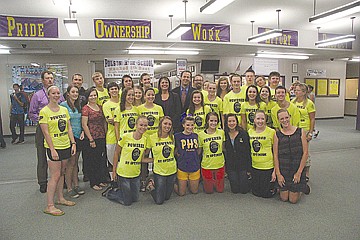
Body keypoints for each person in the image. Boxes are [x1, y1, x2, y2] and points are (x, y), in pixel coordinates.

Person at [39, 86, 76, 216]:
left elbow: (69, 128)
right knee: (54, 175)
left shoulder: (64, 110)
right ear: (48, 95)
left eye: (58, 93)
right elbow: (46, 132)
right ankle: (49, 205)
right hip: (53, 148)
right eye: (53, 93)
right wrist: (53, 149)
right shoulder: (44, 111)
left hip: (65, 144)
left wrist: (73, 143)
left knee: (62, 173)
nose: (56, 95)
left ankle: (60, 198)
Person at [29, 70, 65, 193]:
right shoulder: (37, 95)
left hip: (58, 127)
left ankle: (60, 179)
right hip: (43, 127)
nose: (50, 80)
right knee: (42, 155)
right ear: (43, 80)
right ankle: (43, 182)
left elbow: (63, 107)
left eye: (51, 78)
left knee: (59, 152)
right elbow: (32, 113)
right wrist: (42, 121)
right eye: (47, 78)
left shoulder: (58, 94)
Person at [273, 109, 309, 203]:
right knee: (284, 198)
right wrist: (278, 174)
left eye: (286, 117)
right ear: (278, 120)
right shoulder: (277, 135)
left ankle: (302, 187)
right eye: (282, 119)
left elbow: (305, 153)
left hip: (296, 168)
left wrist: (299, 173)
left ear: (290, 117)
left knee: (293, 200)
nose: (285, 120)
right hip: (284, 168)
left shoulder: (300, 132)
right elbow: (275, 155)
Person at [112, 116, 149, 206]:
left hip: (136, 174)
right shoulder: (125, 136)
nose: (143, 127)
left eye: (145, 125)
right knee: (127, 202)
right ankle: (111, 193)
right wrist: (114, 171)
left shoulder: (145, 140)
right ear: (136, 125)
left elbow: (142, 159)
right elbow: (116, 153)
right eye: (141, 125)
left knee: (135, 199)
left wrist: (156, 160)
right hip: (123, 173)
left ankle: (123, 192)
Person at [60, 85, 85, 198]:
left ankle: (76, 185)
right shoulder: (63, 106)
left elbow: (82, 121)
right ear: (68, 93)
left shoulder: (79, 105)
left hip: (79, 136)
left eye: (77, 92)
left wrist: (83, 131)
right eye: (73, 92)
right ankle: (69, 188)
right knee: (70, 164)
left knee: (75, 163)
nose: (75, 94)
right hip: (69, 138)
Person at [81, 87, 109, 191]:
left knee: (100, 160)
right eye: (91, 95)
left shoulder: (100, 107)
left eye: (95, 95)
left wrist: (106, 135)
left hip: (101, 136)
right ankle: (93, 182)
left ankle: (100, 179)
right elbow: (84, 124)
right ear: (88, 97)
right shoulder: (85, 108)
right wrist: (90, 139)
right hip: (91, 137)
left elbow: (103, 122)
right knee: (92, 161)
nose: (93, 97)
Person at [137, 88, 164, 191]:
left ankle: (155, 180)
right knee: (144, 160)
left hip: (156, 137)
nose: (150, 97)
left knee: (156, 159)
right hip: (144, 137)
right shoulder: (139, 108)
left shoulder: (159, 108)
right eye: (148, 95)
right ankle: (143, 181)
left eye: (152, 95)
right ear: (144, 96)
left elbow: (162, 123)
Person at [146, 116, 177, 204]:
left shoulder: (172, 137)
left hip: (171, 169)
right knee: (159, 201)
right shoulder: (152, 137)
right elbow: (145, 153)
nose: (167, 126)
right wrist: (152, 160)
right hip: (159, 171)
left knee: (167, 197)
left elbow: (174, 152)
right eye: (165, 123)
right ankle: (151, 185)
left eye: (169, 124)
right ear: (160, 124)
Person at [248, 110, 276, 198]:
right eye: (258, 119)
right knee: (256, 192)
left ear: (266, 120)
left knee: (265, 194)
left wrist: (275, 171)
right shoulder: (250, 132)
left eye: (262, 119)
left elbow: (276, 152)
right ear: (254, 120)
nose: (260, 121)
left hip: (267, 166)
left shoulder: (272, 132)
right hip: (255, 166)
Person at [292, 83, 316, 181]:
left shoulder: (309, 103)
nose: (296, 92)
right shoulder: (293, 102)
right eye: (295, 90)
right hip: (295, 129)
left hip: (305, 129)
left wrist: (310, 132)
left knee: (305, 151)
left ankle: (306, 172)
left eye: (298, 90)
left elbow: (312, 119)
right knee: (296, 150)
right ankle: (297, 170)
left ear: (304, 92)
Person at [224, 114, 252, 194]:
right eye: (229, 121)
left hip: (243, 164)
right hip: (231, 165)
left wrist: (249, 169)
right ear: (226, 123)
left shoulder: (243, 133)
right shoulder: (224, 134)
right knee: (235, 190)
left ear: (237, 122)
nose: (231, 123)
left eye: (233, 121)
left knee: (244, 190)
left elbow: (248, 151)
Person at [198, 112, 225, 194]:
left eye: (215, 121)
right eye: (211, 121)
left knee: (220, 190)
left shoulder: (221, 133)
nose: (213, 123)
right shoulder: (201, 135)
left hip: (220, 164)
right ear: (207, 121)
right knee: (209, 191)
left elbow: (223, 147)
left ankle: (215, 181)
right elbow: (199, 151)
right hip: (207, 165)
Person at [174, 116, 201, 196]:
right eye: (188, 125)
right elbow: (174, 149)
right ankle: (172, 184)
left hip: (194, 166)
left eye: (192, 125)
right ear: (183, 125)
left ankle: (189, 183)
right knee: (181, 193)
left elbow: (199, 149)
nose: (190, 127)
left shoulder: (196, 135)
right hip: (182, 167)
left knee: (194, 191)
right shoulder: (177, 136)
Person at [102, 82, 120, 175]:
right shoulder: (106, 104)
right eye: (112, 89)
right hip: (112, 137)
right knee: (113, 162)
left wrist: (116, 119)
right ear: (108, 91)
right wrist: (121, 119)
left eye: (115, 88)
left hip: (124, 135)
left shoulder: (123, 102)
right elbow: (110, 120)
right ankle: (114, 182)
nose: (114, 91)